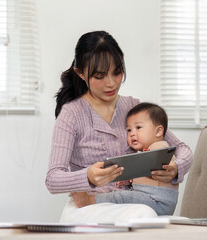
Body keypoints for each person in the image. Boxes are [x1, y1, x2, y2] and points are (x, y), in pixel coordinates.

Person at [45, 31, 193, 223]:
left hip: (129, 205)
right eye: (99, 76)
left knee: (147, 215)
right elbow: (53, 179)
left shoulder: (134, 108)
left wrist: (176, 167)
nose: (111, 82)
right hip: (88, 209)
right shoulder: (71, 114)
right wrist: (88, 176)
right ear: (80, 73)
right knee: (145, 216)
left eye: (117, 72)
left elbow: (183, 149)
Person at [72, 102, 179, 215]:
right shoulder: (148, 152)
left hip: (158, 201)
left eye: (138, 128)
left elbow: (154, 166)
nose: (132, 134)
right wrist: (129, 180)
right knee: (125, 197)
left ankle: (88, 200)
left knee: (121, 197)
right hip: (150, 196)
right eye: (129, 130)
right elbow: (146, 173)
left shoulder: (160, 147)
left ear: (158, 131)